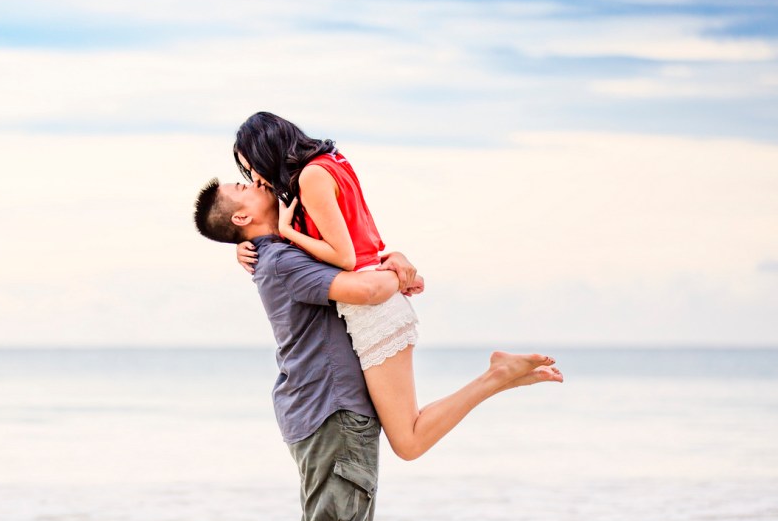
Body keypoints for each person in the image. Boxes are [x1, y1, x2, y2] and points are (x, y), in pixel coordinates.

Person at [193, 179, 557, 521]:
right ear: (241, 218)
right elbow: (365, 289)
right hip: (332, 401)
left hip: (313, 401)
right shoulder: (280, 259)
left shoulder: (278, 252)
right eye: (244, 186)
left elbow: (346, 262)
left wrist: (393, 260)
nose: (257, 183)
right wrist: (395, 272)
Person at [232, 112, 562, 461]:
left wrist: (287, 232)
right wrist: (249, 244)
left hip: (371, 306)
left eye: (251, 168)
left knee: (409, 442)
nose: (256, 179)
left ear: (266, 149)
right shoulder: (329, 162)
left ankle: (496, 376)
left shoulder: (311, 178)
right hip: (374, 293)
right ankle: (503, 377)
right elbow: (355, 241)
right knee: (408, 435)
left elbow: (344, 257)